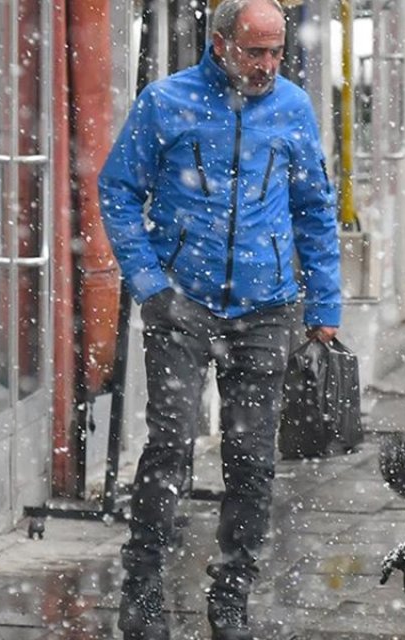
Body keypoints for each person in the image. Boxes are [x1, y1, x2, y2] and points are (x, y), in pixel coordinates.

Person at [97, 0, 340, 637]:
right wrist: (151, 283)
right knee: (171, 446)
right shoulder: (166, 102)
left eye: (276, 52)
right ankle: (142, 587)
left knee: (253, 459)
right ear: (221, 42)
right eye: (254, 50)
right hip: (182, 303)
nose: (266, 65)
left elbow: (315, 209)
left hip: (267, 310)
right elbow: (118, 190)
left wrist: (325, 308)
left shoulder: (292, 108)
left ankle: (232, 592)